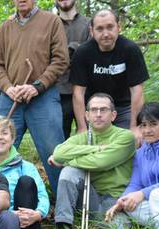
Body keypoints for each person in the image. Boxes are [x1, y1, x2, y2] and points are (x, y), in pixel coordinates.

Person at [0, 0, 68, 194]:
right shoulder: (4, 28)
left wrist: (37, 86)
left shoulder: (51, 21)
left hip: (42, 96)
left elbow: (60, 60)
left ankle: (64, 209)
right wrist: (8, 88)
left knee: (54, 151)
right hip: (11, 97)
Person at [47, 93, 135, 229]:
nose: (98, 114)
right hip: (87, 196)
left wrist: (68, 160)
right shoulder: (82, 137)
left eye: (103, 110)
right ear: (86, 115)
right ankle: (63, 228)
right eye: (94, 110)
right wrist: (96, 148)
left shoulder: (126, 137)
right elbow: (59, 152)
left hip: (115, 200)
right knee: (69, 172)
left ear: (113, 115)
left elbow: (101, 162)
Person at [70, 9, 148, 138]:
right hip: (95, 109)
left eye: (110, 27)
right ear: (92, 31)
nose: (106, 34)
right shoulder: (82, 53)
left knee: (132, 142)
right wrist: (82, 127)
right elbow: (78, 93)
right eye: (99, 29)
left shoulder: (130, 50)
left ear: (119, 27)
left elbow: (137, 91)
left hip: (124, 108)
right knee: (93, 148)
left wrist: (135, 126)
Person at [54, 0, 90, 139]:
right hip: (59, 91)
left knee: (90, 137)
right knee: (61, 141)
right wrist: (79, 47)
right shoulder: (49, 24)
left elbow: (92, 53)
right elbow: (46, 56)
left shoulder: (89, 23)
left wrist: (68, 49)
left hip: (87, 90)